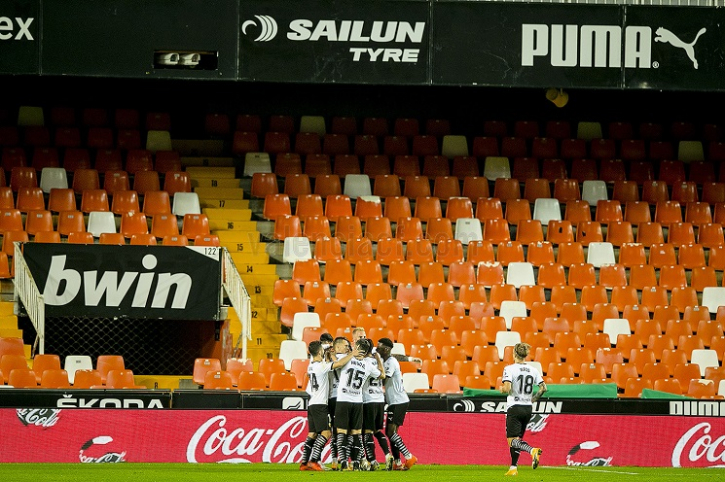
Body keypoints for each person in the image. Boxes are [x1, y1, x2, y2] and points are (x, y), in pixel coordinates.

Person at [300, 340, 358, 471]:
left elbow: (318, 351)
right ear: (319, 351)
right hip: (320, 404)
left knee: (313, 433)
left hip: (311, 403)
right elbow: (339, 364)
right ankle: (314, 461)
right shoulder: (321, 367)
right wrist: (352, 354)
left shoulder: (311, 366)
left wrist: (326, 349)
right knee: (326, 433)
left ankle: (304, 462)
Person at [335, 338, 384, 471]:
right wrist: (379, 360)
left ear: (356, 347)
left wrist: (351, 354)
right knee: (356, 433)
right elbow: (382, 375)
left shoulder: (346, 357)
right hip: (358, 401)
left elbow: (336, 364)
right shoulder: (368, 365)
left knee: (342, 432)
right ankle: (356, 463)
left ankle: (344, 462)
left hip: (344, 399)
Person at [499, 342, 547, 476]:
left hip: (514, 407)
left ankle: (532, 451)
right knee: (517, 440)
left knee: (512, 441)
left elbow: (507, 388)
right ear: (525, 355)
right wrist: (533, 399)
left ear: (514, 353)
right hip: (527, 408)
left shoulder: (509, 369)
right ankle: (513, 468)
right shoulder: (533, 370)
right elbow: (543, 388)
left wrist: (502, 389)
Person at [376, 337, 417, 471]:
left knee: (391, 432)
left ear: (387, 349)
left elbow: (383, 379)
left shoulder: (391, 362)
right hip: (395, 401)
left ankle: (409, 456)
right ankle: (397, 463)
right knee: (391, 433)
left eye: (380, 347)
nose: (377, 349)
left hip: (398, 401)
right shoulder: (387, 361)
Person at [327, 336, 352, 470]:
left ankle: (337, 460)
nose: (347, 347)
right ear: (337, 347)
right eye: (345, 345)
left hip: (337, 397)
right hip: (338, 398)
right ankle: (342, 460)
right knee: (341, 431)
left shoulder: (331, 358)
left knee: (338, 431)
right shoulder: (345, 359)